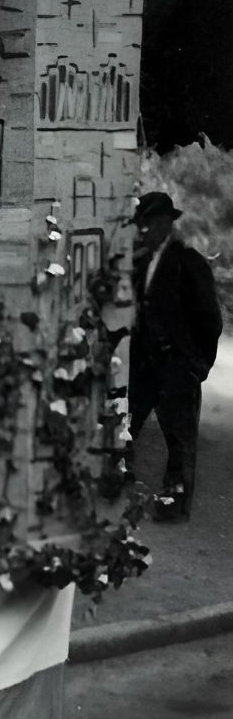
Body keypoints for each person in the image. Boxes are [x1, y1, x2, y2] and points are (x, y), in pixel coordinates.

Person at [130, 190, 220, 522]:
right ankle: (115, 486)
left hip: (177, 367)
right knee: (126, 428)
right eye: (140, 225)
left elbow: (210, 320)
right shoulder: (139, 262)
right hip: (144, 368)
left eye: (147, 225)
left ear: (165, 225)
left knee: (180, 442)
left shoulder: (189, 263)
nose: (142, 232)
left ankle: (173, 505)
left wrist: (198, 366)